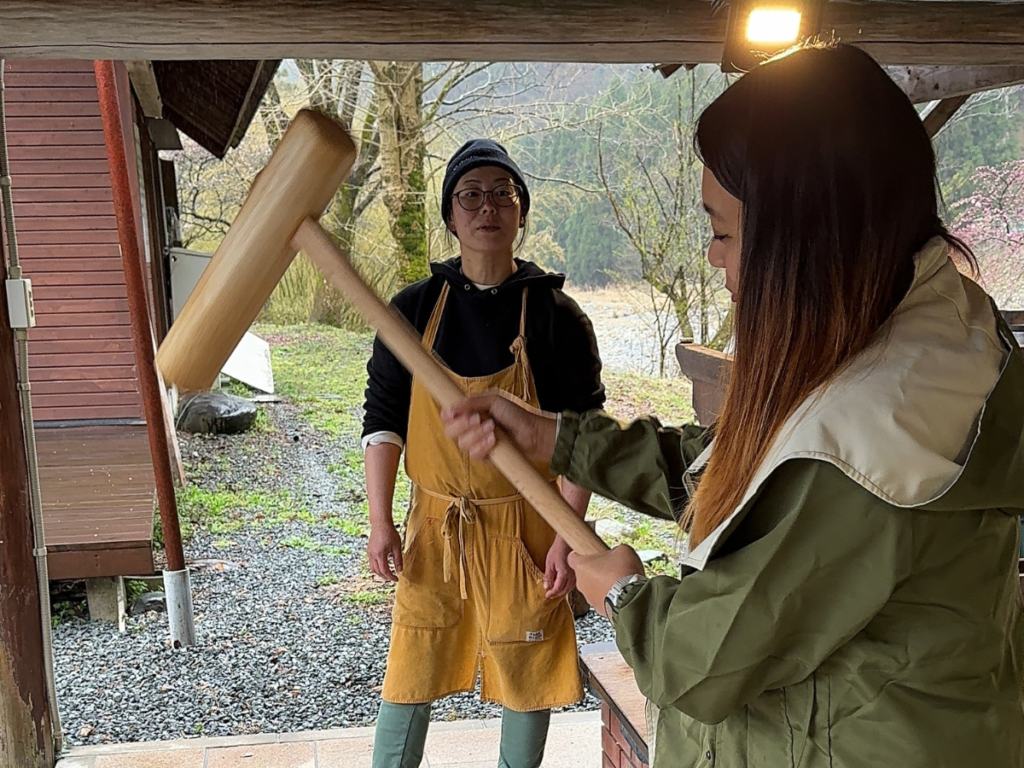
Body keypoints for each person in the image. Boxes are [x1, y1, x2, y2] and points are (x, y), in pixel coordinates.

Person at [442, 44, 1024, 768]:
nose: (713, 257)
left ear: (805, 236)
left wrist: (624, 594)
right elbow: (733, 469)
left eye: (722, 231)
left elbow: (699, 661)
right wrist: (555, 436)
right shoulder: (908, 324)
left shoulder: (878, 436)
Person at [362, 138, 605, 768]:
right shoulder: (413, 312)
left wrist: (566, 538)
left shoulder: (557, 318)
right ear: (450, 214)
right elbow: (383, 420)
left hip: (527, 525)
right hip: (435, 523)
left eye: (503, 193)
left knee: (527, 665)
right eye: (471, 194)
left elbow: (583, 432)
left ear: (522, 212)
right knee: (413, 659)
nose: (487, 207)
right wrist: (380, 520)